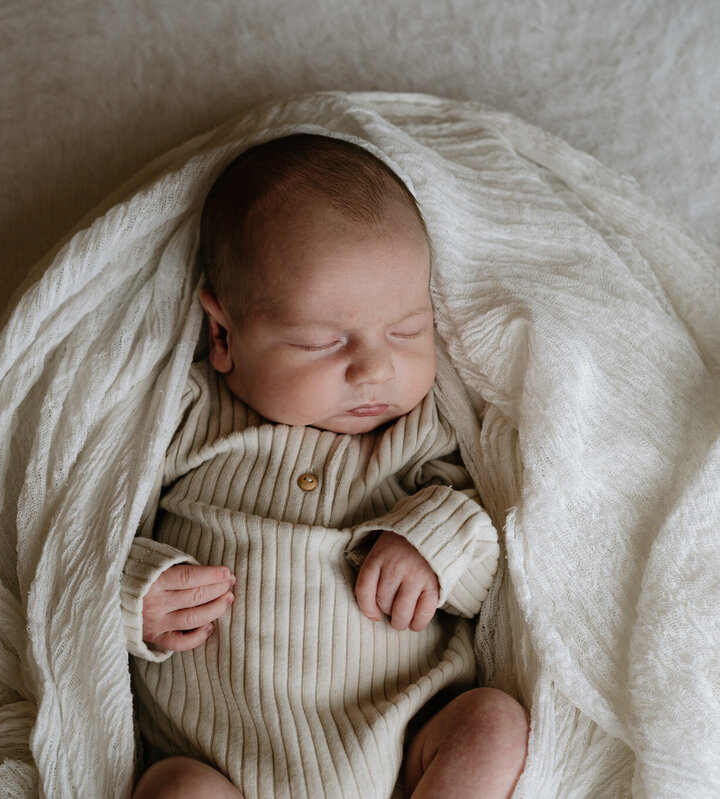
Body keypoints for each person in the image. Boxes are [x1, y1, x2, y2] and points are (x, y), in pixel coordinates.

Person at [123, 134, 529, 799]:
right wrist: (137, 596)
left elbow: (488, 557)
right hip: (221, 765)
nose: (375, 368)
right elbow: (93, 533)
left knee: (494, 725)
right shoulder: (185, 416)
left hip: (404, 745)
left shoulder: (421, 432)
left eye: (407, 330)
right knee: (173, 791)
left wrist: (432, 545)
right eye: (323, 341)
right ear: (222, 334)